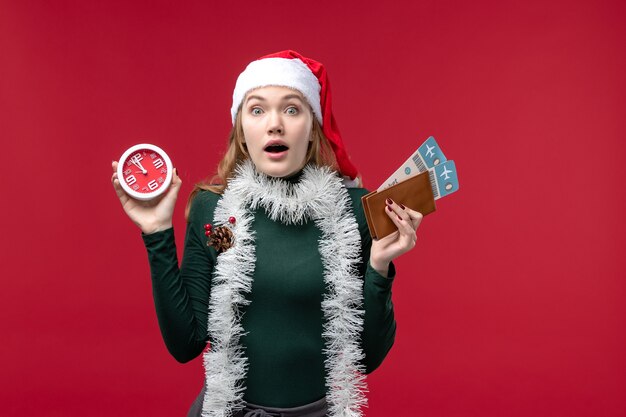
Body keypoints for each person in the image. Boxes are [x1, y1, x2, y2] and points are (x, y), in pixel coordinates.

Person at [111, 50, 423, 417]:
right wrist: (157, 233)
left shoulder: (353, 211)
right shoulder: (218, 216)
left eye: (292, 109)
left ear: (312, 128)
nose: (275, 124)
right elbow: (186, 344)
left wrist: (380, 267)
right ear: (242, 129)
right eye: (257, 110)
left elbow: (367, 358)